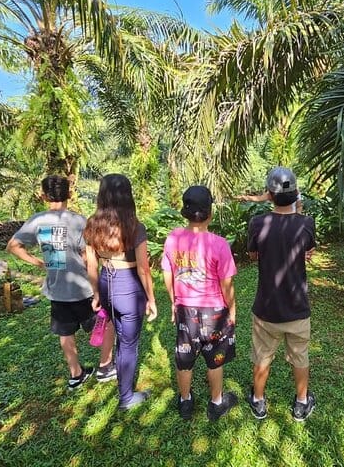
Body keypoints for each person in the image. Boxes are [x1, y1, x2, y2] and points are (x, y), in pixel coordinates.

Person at [7, 175, 115, 390]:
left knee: (65, 332)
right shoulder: (79, 221)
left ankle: (76, 374)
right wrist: (97, 288)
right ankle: (105, 366)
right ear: (70, 194)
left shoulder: (37, 221)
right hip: (83, 288)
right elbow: (88, 258)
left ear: (43, 196)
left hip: (57, 289)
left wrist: (39, 262)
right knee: (105, 324)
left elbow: (13, 246)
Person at [161, 185, 239, 421]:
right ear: (210, 212)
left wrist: (174, 302)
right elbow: (227, 285)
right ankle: (216, 402)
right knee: (215, 359)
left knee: (185, 358)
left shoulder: (173, 239)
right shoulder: (219, 244)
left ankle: (185, 401)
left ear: (185, 212)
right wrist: (232, 311)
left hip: (185, 310)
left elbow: (168, 274)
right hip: (214, 311)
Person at [246, 167, 317, 421]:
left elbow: (253, 255)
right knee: (300, 356)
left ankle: (258, 400)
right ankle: (301, 402)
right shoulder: (306, 223)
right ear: (296, 193)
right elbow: (308, 250)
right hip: (297, 306)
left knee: (262, 355)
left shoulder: (257, 223)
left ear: (269, 194)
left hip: (266, 307)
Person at [84, 174, 157, 410]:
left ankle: (123, 386)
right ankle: (126, 397)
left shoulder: (93, 225)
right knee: (128, 343)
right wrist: (151, 299)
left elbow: (91, 265)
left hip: (106, 283)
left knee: (120, 336)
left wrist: (96, 294)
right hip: (129, 288)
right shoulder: (135, 226)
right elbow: (144, 269)